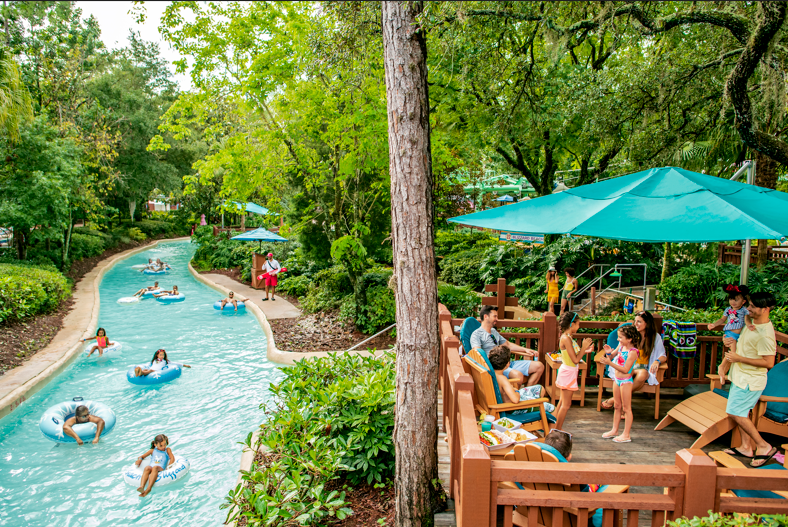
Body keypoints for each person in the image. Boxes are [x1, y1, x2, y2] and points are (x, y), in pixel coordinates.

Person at [719, 292, 778, 467]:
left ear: (765, 309)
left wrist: (738, 359)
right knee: (742, 412)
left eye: (752, 306)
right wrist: (728, 351)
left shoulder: (765, 334)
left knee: (735, 412)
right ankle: (746, 447)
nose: (748, 309)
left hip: (751, 381)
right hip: (740, 376)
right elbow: (739, 345)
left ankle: (763, 446)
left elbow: (768, 362)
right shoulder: (750, 323)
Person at [601, 310, 668, 410]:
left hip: (642, 368)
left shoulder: (654, 337)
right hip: (627, 367)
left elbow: (663, 355)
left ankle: (615, 399)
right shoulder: (629, 335)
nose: (635, 324)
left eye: (639, 321)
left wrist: (657, 361)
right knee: (627, 373)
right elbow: (612, 356)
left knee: (644, 374)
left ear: (647, 323)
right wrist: (608, 353)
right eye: (635, 321)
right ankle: (624, 407)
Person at [470, 305, 544, 387]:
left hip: (507, 363)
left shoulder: (493, 331)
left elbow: (507, 344)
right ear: (486, 316)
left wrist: (525, 349)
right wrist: (496, 360)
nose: (497, 319)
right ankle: (515, 397)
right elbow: (478, 354)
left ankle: (526, 393)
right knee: (518, 375)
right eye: (495, 316)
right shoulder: (476, 335)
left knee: (539, 366)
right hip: (496, 368)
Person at [600, 324, 641, 443]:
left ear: (629, 339)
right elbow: (612, 356)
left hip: (626, 381)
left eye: (621, 337)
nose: (618, 339)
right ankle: (614, 430)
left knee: (626, 408)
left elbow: (626, 369)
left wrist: (609, 363)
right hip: (616, 379)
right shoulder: (621, 346)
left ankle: (626, 434)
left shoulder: (633, 352)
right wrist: (608, 353)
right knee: (617, 406)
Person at [554, 312, 594, 430]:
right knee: (566, 405)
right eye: (578, 324)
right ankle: (558, 430)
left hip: (568, 371)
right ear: (572, 324)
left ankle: (554, 427)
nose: (579, 327)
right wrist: (583, 347)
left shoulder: (568, 337)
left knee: (562, 402)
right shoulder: (566, 338)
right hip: (568, 373)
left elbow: (573, 354)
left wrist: (585, 350)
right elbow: (576, 359)